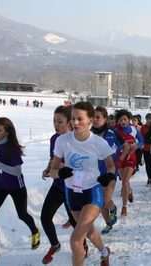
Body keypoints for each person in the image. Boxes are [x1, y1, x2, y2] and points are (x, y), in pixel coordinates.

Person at [50, 102, 113, 266]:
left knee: (76, 240)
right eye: (72, 118)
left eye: (80, 119)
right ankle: (104, 252)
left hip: (92, 192)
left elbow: (111, 165)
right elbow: (53, 171)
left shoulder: (98, 143)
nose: (75, 123)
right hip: (72, 193)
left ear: (90, 120)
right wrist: (60, 173)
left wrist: (108, 176)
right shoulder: (62, 141)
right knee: (90, 233)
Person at [0, 117, 40, 266]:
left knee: (22, 214)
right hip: (0, 186)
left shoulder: (11, 149)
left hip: (16, 187)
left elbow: (17, 172)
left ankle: (35, 230)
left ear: (7, 132)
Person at [40, 105, 88, 264]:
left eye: (59, 121)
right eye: (54, 121)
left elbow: (82, 165)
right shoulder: (55, 138)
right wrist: (48, 169)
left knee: (76, 222)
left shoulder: (78, 140)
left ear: (69, 122)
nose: (56, 124)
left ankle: (84, 245)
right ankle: (55, 245)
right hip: (58, 185)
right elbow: (53, 160)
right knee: (45, 217)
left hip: (73, 187)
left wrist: (61, 166)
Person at [91, 106, 130, 234]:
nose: (95, 120)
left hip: (110, 171)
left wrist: (119, 161)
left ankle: (112, 208)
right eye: (93, 117)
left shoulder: (112, 133)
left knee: (105, 200)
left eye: (98, 117)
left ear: (105, 119)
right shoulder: (89, 134)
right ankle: (108, 223)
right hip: (95, 172)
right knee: (100, 202)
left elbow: (126, 147)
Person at [114, 109, 144, 216]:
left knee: (125, 180)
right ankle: (129, 191)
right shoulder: (116, 129)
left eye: (125, 119)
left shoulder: (134, 129)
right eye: (121, 120)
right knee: (123, 180)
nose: (123, 122)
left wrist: (136, 146)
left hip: (131, 157)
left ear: (128, 120)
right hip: (121, 156)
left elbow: (142, 141)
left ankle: (124, 207)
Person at [140, 113, 151, 186]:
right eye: (147, 119)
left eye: (150, 119)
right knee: (148, 164)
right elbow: (141, 136)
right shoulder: (143, 127)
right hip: (146, 148)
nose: (149, 121)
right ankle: (149, 178)